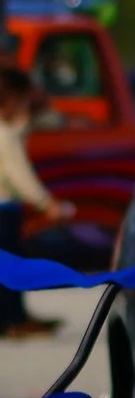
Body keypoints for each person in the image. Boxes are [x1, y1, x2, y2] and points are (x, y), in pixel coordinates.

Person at [0, 65, 75, 337]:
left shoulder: (6, 132)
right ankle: (13, 320)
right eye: (21, 102)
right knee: (11, 268)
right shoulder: (5, 136)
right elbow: (20, 176)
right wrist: (47, 203)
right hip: (4, 211)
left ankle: (12, 318)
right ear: (10, 100)